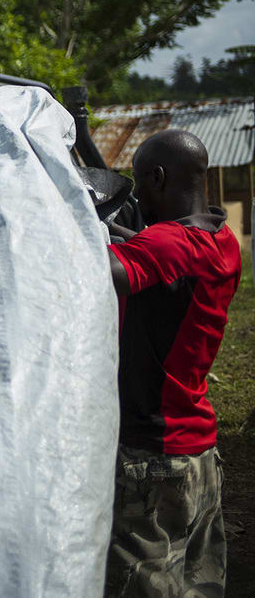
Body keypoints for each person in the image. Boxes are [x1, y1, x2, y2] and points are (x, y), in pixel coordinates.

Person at [104, 130, 241, 597]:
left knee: (142, 585)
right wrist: (130, 237)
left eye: (140, 182)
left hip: (153, 457)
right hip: (199, 452)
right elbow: (165, 258)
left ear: (158, 177)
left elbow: (99, 272)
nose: (138, 198)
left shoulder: (168, 244)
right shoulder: (223, 239)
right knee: (199, 585)